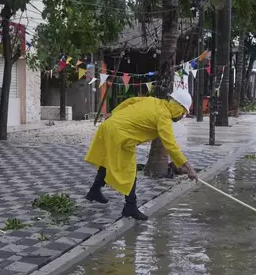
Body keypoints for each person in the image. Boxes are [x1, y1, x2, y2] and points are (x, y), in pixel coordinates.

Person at [84, 88, 198, 220]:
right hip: (120, 134)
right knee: (130, 171)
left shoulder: (154, 101)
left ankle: (94, 190)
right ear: (178, 108)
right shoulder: (164, 117)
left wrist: (115, 115)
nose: (181, 116)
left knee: (108, 160)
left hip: (109, 125)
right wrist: (189, 168)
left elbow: (130, 102)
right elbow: (171, 145)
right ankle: (130, 207)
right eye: (183, 113)